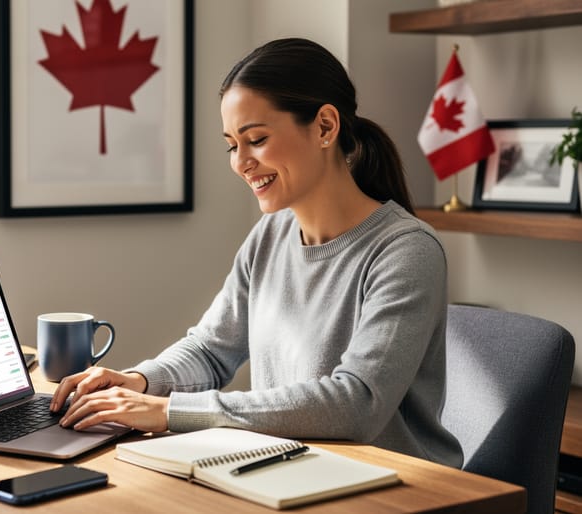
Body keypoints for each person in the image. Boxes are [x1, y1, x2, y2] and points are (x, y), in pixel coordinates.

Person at [50, 38, 462, 468]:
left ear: (325, 127)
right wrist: (140, 380)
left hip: (399, 487)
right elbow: (212, 350)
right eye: (232, 145)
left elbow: (357, 402)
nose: (240, 162)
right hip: (294, 471)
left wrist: (169, 412)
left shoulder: (406, 250)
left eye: (257, 139)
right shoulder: (271, 233)